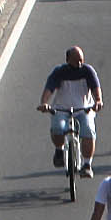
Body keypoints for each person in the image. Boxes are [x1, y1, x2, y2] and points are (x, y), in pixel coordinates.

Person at [38, 45, 103, 175]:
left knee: (88, 131)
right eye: (76, 61)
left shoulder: (88, 71)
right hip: (61, 109)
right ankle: (59, 150)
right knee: (57, 128)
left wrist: (98, 101)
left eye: (81, 60)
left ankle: (87, 165)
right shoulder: (59, 72)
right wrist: (44, 103)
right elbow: (49, 88)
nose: (79, 64)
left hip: (84, 109)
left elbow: (96, 88)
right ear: (68, 60)